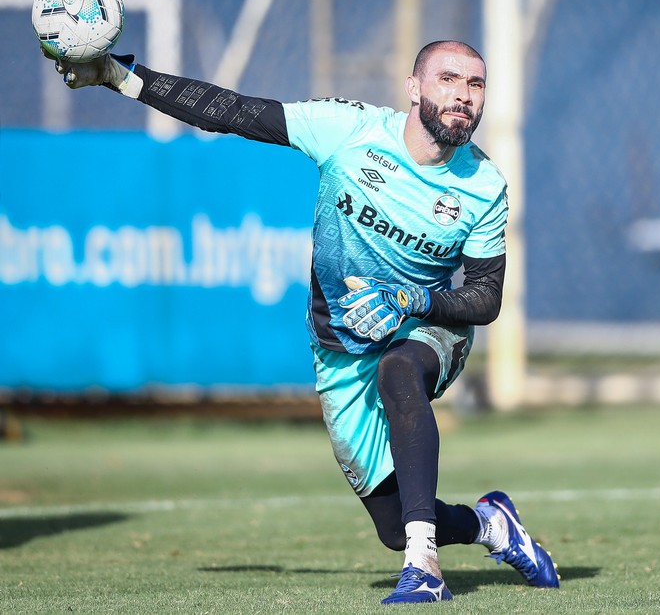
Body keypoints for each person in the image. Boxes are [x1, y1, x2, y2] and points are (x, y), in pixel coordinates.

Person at [46, 40, 559, 604]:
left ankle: (425, 567)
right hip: (341, 342)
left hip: (428, 326)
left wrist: (413, 299)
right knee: (393, 523)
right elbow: (236, 111)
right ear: (413, 89)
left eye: (475, 84)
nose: (462, 95)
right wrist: (123, 78)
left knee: (398, 371)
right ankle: (491, 526)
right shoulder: (348, 130)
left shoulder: (484, 187)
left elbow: (484, 299)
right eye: (448, 79)